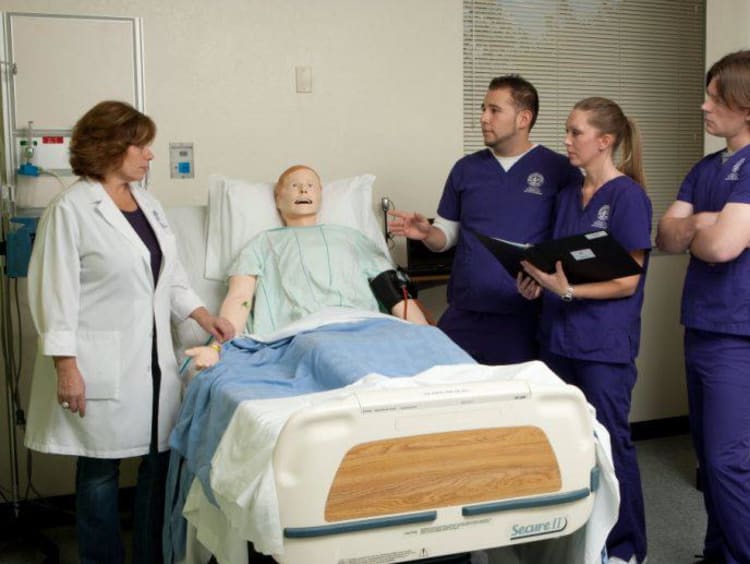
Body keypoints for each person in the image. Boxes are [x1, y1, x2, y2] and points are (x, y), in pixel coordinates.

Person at [24, 101, 233, 564]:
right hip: (97, 362)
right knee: (99, 472)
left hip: (155, 362)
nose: (149, 155)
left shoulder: (149, 205)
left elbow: (171, 277)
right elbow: (52, 293)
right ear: (109, 146)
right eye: (140, 145)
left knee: (156, 467)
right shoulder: (71, 209)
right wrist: (66, 367)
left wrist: (202, 315)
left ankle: (150, 556)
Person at [517, 97, 651, 564]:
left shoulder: (628, 197)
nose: (567, 141)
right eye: (568, 131)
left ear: (605, 141)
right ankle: (578, 544)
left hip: (603, 345)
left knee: (610, 446)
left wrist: (567, 290)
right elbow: (559, 265)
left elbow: (627, 281)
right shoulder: (567, 196)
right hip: (559, 338)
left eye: (576, 132)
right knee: (566, 443)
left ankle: (627, 550)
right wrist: (539, 283)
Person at [388, 75, 582, 365]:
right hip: (467, 309)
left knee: (514, 405)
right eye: (483, 109)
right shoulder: (466, 169)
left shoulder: (560, 171)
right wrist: (428, 233)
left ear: (523, 118)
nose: (483, 118)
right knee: (443, 386)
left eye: (494, 110)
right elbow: (446, 236)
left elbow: (570, 242)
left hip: (523, 316)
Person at [186, 164, 428, 369]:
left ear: (321, 196)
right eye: (293, 186)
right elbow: (240, 298)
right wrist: (217, 347)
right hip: (300, 335)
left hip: (365, 329)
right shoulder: (262, 244)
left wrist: (427, 335)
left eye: (310, 185)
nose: (303, 189)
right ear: (278, 200)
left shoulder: (352, 238)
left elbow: (393, 292)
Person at [656, 50, 750, 564]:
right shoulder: (705, 168)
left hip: (738, 332)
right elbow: (666, 235)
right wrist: (705, 221)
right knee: (709, 456)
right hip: (702, 325)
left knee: (726, 460)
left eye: (715, 98)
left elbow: (722, 248)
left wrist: (702, 228)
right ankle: (717, 553)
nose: (703, 106)